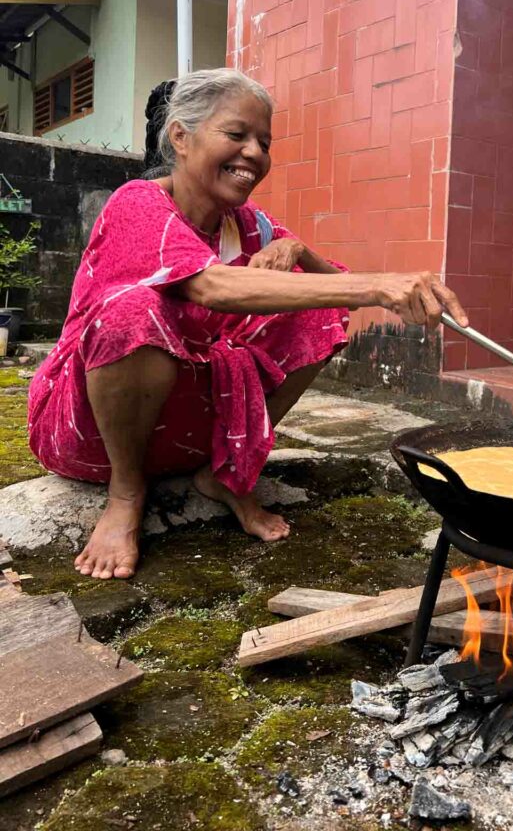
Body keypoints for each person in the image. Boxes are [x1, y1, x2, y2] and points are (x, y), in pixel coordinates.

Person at [28, 68, 467, 581]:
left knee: (318, 312)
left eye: (263, 141)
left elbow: (336, 295)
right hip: (86, 432)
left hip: (183, 430)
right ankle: (126, 496)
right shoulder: (140, 203)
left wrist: (301, 250)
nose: (255, 154)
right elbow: (207, 286)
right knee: (133, 314)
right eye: (236, 135)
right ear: (181, 137)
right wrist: (379, 285)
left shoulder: (251, 225)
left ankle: (224, 475)